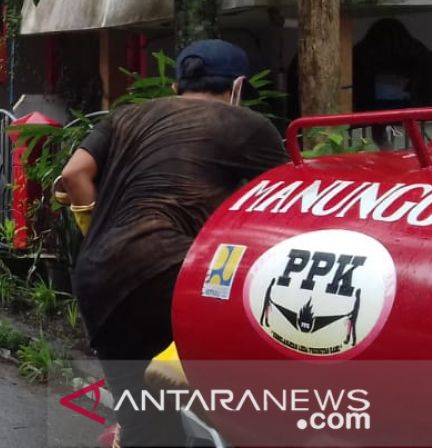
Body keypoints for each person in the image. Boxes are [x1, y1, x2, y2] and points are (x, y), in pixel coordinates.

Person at [58, 40, 288, 447]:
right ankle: (183, 356)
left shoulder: (126, 116)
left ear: (177, 83)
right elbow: (282, 203)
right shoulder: (244, 124)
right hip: (171, 271)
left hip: (98, 275)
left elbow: (75, 173)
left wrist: (93, 226)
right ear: (237, 86)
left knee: (145, 424)